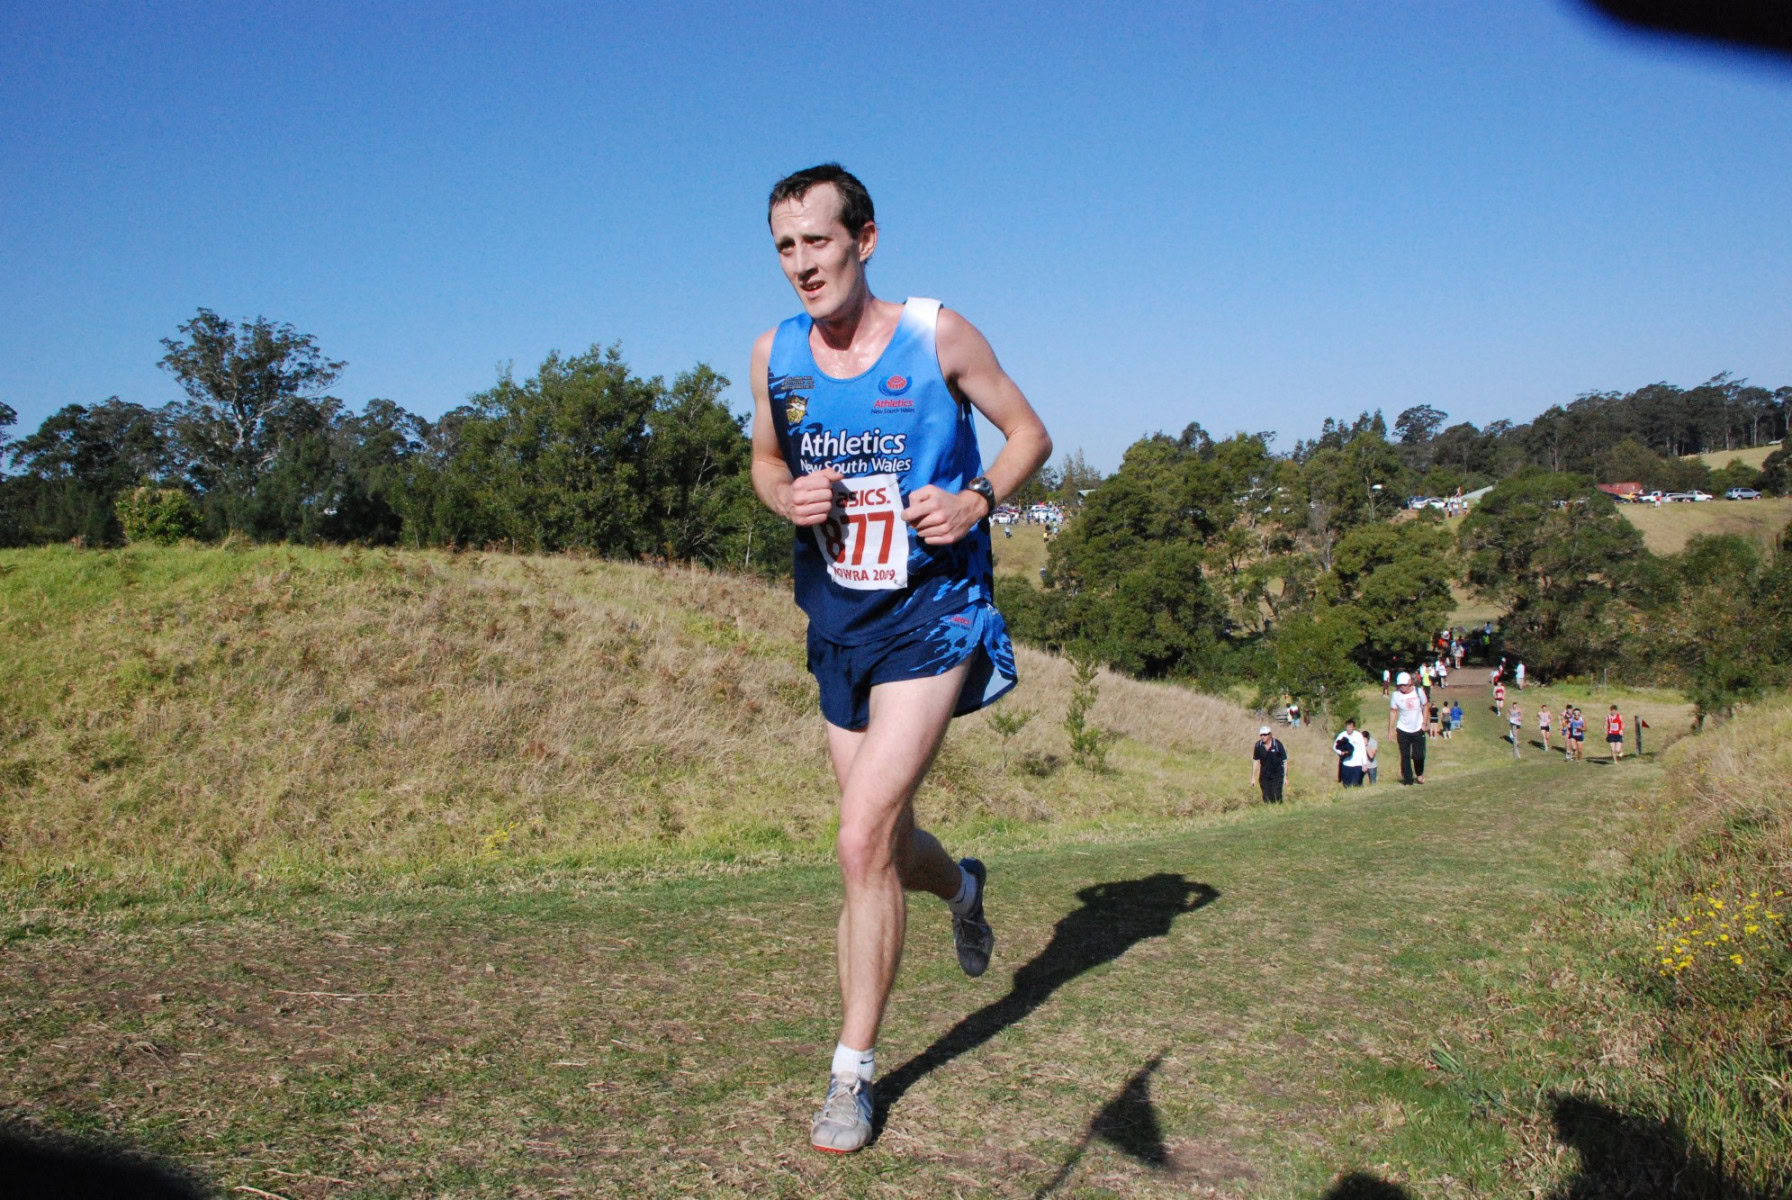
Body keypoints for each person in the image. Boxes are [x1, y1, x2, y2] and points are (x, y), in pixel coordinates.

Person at [749, 163, 1053, 1154]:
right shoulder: (774, 354)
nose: (802, 264)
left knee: (854, 841)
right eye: (786, 246)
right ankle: (963, 888)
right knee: (882, 842)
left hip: (936, 612)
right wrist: (780, 495)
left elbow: (1028, 434)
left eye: (818, 241)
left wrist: (975, 501)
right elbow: (764, 458)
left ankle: (851, 1076)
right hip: (839, 618)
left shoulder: (937, 334)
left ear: (865, 239)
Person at [1388, 671, 1427, 785]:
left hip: (1418, 728)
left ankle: (1419, 774)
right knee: (1404, 756)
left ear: (1410, 683)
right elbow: (1393, 712)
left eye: (1404, 685)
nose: (1402, 687)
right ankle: (1408, 780)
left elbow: (1425, 706)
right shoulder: (1396, 695)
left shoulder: (1419, 692)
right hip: (1403, 729)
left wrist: (1424, 723)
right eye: (1400, 685)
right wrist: (1390, 730)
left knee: (1418, 755)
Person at [1252, 725, 1289, 804]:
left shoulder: (1277, 744)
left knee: (1276, 794)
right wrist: (1253, 777)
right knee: (1266, 796)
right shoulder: (1258, 745)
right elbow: (1255, 760)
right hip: (1264, 774)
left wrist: (1285, 776)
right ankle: (1269, 810)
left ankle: (1279, 809)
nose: (1263, 737)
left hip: (1277, 774)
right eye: (1261, 735)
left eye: (1265, 735)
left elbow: (1284, 760)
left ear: (1269, 735)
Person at [1334, 719, 1368, 787]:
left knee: (1355, 784)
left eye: (1350, 727)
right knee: (1346, 784)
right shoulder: (1342, 735)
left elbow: (1363, 750)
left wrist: (1364, 763)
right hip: (1346, 763)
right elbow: (1335, 746)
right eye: (1347, 727)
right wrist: (1341, 752)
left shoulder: (1358, 735)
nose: (1349, 729)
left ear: (1353, 727)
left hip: (1357, 764)